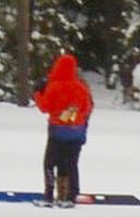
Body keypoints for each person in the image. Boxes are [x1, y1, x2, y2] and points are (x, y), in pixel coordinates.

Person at [33, 53, 94, 207]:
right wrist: (74, 118)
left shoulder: (54, 86)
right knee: (69, 163)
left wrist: (38, 93)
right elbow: (86, 108)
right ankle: (68, 196)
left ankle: (48, 195)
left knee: (49, 163)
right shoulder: (81, 87)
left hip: (57, 130)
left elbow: (44, 107)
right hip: (76, 131)